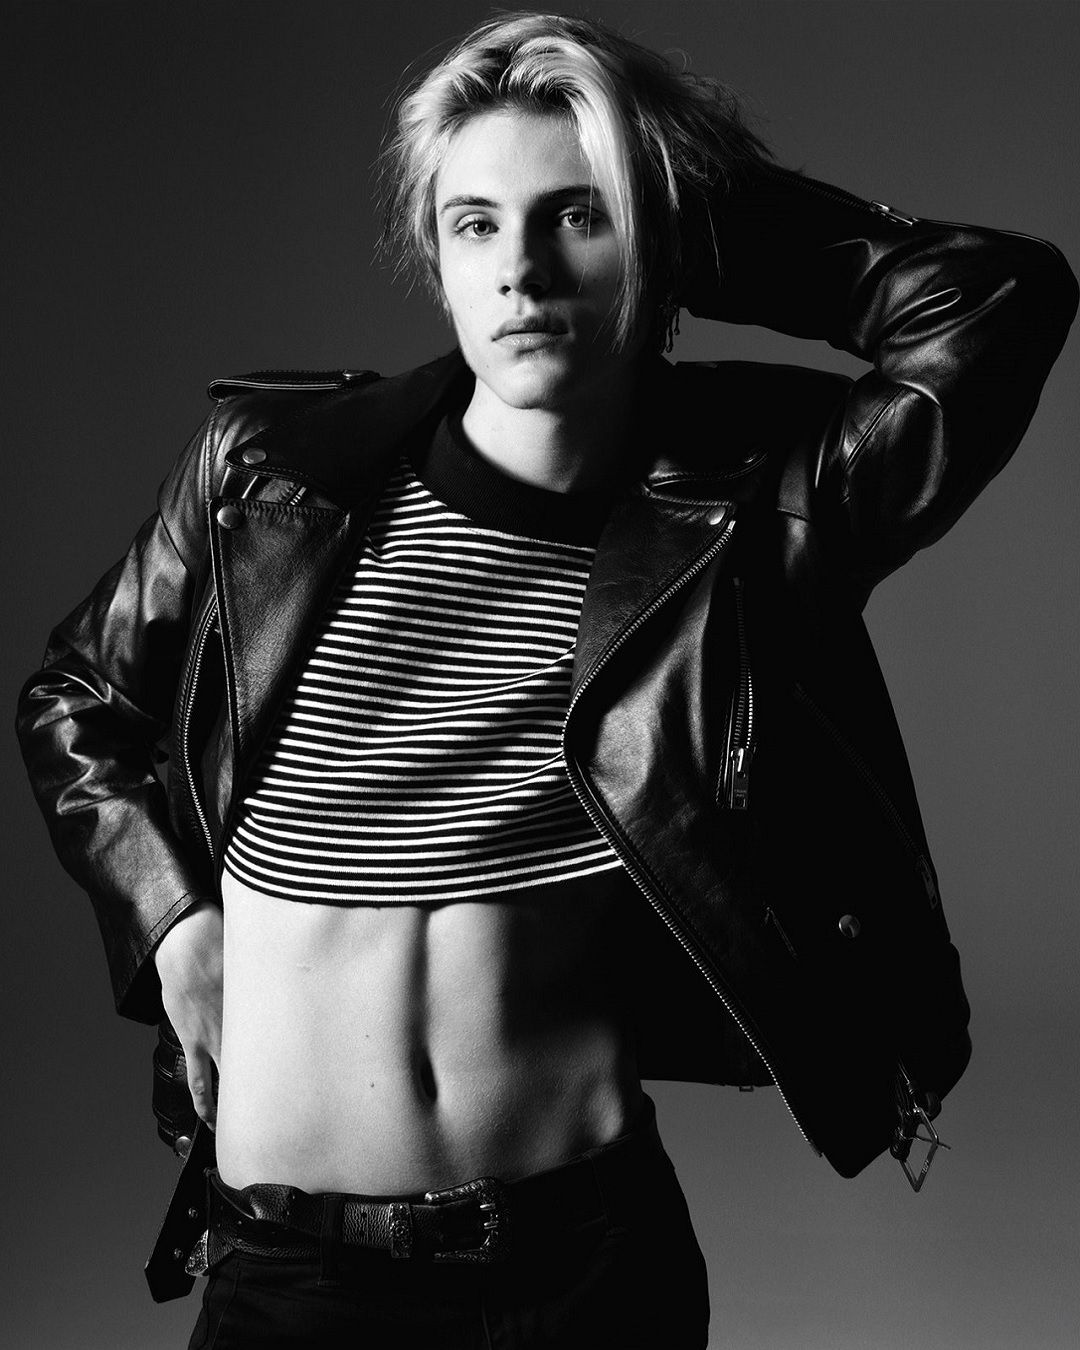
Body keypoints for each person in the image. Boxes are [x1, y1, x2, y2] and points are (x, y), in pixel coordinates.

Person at [16, 11, 1076, 1349]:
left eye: (576, 215)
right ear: (438, 258)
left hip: (578, 1272)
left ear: (661, 238)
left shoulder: (750, 519)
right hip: (289, 1270)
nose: (520, 270)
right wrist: (172, 922)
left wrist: (687, 208)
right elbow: (79, 697)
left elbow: (997, 302)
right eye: (475, 224)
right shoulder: (271, 474)